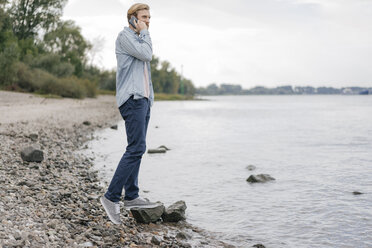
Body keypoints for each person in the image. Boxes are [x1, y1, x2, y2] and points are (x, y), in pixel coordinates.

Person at [100, 3, 157, 225]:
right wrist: (145, 32)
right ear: (132, 19)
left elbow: (145, 62)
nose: (148, 21)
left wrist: (149, 99)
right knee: (136, 148)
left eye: (149, 17)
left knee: (138, 147)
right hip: (132, 100)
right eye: (144, 17)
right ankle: (110, 197)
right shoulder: (125, 37)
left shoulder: (141, 38)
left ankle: (132, 196)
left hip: (143, 100)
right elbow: (147, 55)